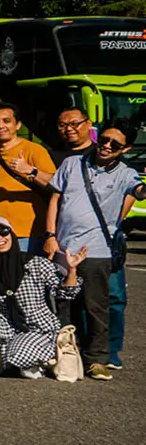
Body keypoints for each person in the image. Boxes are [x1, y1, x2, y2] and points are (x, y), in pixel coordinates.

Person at [44, 122, 140, 380]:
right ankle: (65, 356)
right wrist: (50, 235)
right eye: (105, 139)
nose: (107, 146)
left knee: (96, 306)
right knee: (64, 305)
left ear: (125, 148)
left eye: (115, 144)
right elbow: (55, 199)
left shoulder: (125, 173)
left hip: (97, 250)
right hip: (64, 247)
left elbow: (139, 191)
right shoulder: (72, 164)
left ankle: (97, 359)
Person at [0, 216, 77, 378]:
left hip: (38, 328)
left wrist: (71, 271)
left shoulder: (35, 263)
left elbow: (64, 293)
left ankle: (36, 359)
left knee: (23, 364)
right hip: (7, 323)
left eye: (4, 232)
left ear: (12, 234)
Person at [0, 102, 56, 251]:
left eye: (6, 121)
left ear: (18, 125)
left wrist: (30, 170)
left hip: (27, 235)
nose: (0, 126)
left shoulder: (34, 150)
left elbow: (56, 185)